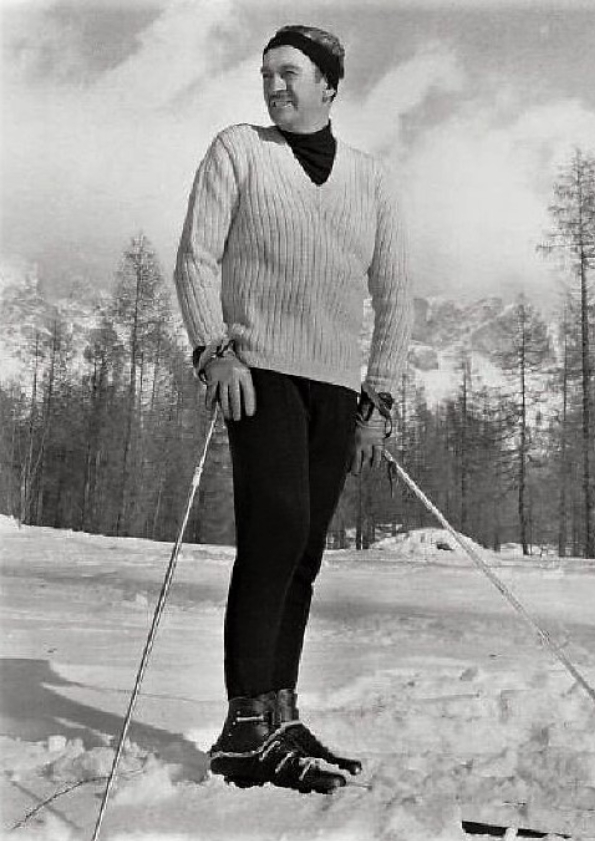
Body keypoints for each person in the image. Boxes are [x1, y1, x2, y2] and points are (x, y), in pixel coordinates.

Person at [174, 23, 412, 794]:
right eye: (268, 73)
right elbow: (196, 257)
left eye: (291, 73)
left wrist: (379, 398)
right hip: (259, 373)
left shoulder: (371, 179)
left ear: (330, 87)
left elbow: (397, 293)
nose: (274, 86)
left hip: (335, 388)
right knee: (274, 529)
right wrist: (215, 348)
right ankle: (244, 727)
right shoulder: (238, 151)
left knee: (305, 549)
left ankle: (280, 711)